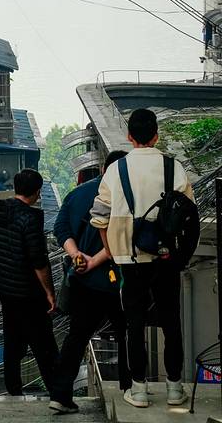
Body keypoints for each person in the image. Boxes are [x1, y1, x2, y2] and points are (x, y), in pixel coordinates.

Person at [91, 108, 194, 409]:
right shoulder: (173, 168)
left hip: (129, 258)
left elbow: (99, 217)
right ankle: (175, 389)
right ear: (156, 135)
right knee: (171, 321)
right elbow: (189, 213)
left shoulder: (115, 170)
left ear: (129, 136)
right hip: (166, 257)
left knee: (133, 323)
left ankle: (138, 391)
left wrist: (110, 249)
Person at [48, 150, 130, 414]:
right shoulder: (126, 197)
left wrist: (76, 256)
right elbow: (124, 238)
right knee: (128, 335)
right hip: (117, 281)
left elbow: (61, 228)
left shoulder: (79, 194)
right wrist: (94, 260)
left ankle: (60, 395)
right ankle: (131, 388)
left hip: (83, 281)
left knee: (76, 337)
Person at [0, 168, 58, 397]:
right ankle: (58, 392)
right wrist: (49, 293)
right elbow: (38, 261)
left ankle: (14, 389)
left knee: (12, 339)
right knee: (44, 344)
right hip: (25, 291)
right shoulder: (29, 219)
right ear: (37, 192)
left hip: (4, 288)